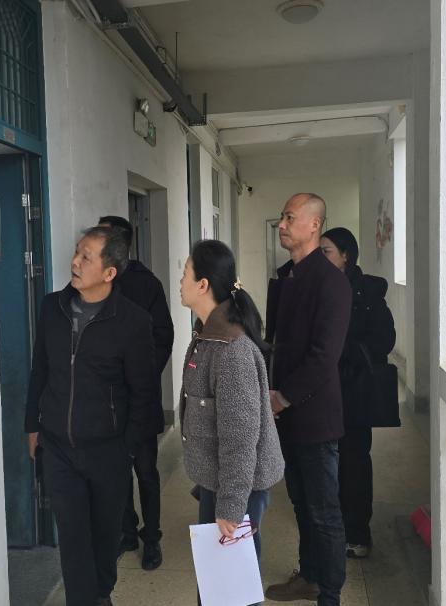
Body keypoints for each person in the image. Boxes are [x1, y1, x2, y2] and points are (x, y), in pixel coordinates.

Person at [24, 226, 155, 606]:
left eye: (86, 257)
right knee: (72, 536)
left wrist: (127, 447)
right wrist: (32, 425)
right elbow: (39, 370)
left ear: (109, 272)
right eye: (76, 252)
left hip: (107, 449)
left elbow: (144, 392)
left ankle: (100, 593)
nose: (75, 262)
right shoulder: (52, 307)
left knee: (104, 534)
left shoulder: (132, 321)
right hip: (58, 447)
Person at [179, 240, 285, 606]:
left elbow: (241, 438)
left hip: (239, 486)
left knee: (231, 590)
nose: (180, 282)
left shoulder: (231, 351)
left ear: (203, 285)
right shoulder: (208, 336)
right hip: (220, 480)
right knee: (217, 585)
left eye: (185, 274)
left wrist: (230, 506)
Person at [264, 194, 351, 606]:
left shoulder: (331, 282)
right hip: (287, 416)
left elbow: (323, 357)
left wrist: (282, 397)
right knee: (300, 503)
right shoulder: (287, 276)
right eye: (281, 217)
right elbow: (278, 344)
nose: (281, 224)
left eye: (289, 217)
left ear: (314, 225)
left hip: (314, 416)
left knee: (324, 512)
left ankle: (330, 595)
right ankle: (310, 576)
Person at [97, 215, 174, 571]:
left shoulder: (147, 284)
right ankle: (127, 532)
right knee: (117, 469)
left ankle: (152, 537)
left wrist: (140, 374)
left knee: (146, 470)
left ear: (120, 243)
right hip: (107, 398)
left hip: (140, 396)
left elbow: (164, 336)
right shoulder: (98, 280)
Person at [321, 227, 396, 559]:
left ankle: (357, 533)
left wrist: (346, 350)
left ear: (346, 256)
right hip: (324, 391)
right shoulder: (320, 288)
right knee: (327, 461)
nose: (321, 258)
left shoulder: (368, 293)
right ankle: (332, 528)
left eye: (327, 252)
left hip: (354, 392)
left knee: (354, 462)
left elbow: (385, 340)